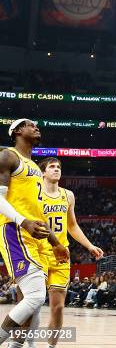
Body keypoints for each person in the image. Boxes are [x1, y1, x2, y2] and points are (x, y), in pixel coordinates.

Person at [0, 119, 69, 347]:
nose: (36, 126)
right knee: (36, 296)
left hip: (33, 236)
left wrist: (56, 243)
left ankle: (16, 346)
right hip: (14, 231)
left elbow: (38, 215)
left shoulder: (35, 169)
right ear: (17, 131)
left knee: (34, 302)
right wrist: (22, 222)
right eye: (30, 124)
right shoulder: (8, 156)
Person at [25, 157, 104, 348]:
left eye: (59, 167)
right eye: (52, 167)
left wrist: (89, 245)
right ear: (43, 172)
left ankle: (51, 346)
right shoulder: (33, 193)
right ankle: (28, 344)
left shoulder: (68, 195)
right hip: (37, 251)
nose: (56, 169)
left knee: (58, 307)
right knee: (33, 304)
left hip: (61, 255)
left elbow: (72, 225)